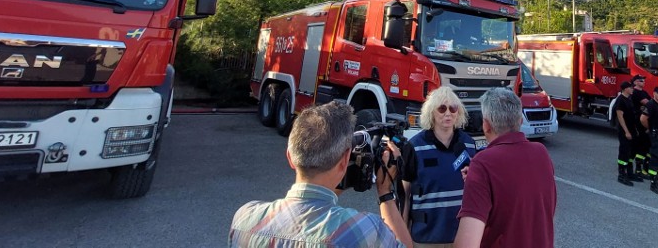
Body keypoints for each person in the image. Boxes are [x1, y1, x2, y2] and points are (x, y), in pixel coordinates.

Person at [228, 101, 412, 248]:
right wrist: (385, 192)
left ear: (290, 157)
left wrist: (339, 175)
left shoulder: (245, 218)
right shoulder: (366, 231)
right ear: (344, 160)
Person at [454, 88, 556, 248]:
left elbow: (466, 243)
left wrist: (478, 179)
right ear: (520, 121)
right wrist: (481, 184)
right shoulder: (541, 153)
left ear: (486, 125)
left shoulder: (483, 163)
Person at [402, 87, 477, 247]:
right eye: (442, 109)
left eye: (453, 108)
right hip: (426, 238)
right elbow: (405, 194)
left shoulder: (469, 145)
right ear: (431, 113)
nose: (448, 113)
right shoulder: (414, 146)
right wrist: (402, 234)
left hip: (462, 237)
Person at [613, 81, 639, 186]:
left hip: (632, 129)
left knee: (632, 151)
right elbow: (620, 117)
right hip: (625, 131)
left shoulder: (629, 99)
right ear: (625, 89)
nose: (632, 89)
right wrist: (626, 131)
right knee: (624, 152)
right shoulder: (620, 100)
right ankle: (621, 175)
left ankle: (629, 172)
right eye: (631, 87)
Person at [630, 75, 652, 179]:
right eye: (640, 80)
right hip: (639, 122)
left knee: (646, 146)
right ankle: (638, 169)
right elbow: (648, 103)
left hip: (645, 121)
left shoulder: (644, 92)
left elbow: (650, 101)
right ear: (635, 82)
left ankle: (644, 168)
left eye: (644, 80)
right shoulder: (635, 92)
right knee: (642, 146)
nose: (643, 81)